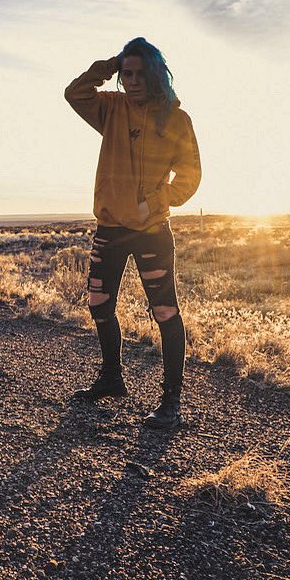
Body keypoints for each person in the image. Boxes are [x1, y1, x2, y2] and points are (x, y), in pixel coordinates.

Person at [64, 37, 201, 429]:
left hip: (152, 229)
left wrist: (157, 201)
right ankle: (112, 377)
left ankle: (171, 401)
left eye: (142, 73)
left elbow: (191, 174)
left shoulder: (176, 119)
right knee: (98, 302)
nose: (135, 80)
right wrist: (110, 63)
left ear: (155, 74)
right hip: (110, 226)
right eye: (128, 73)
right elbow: (74, 93)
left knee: (164, 311)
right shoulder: (111, 108)